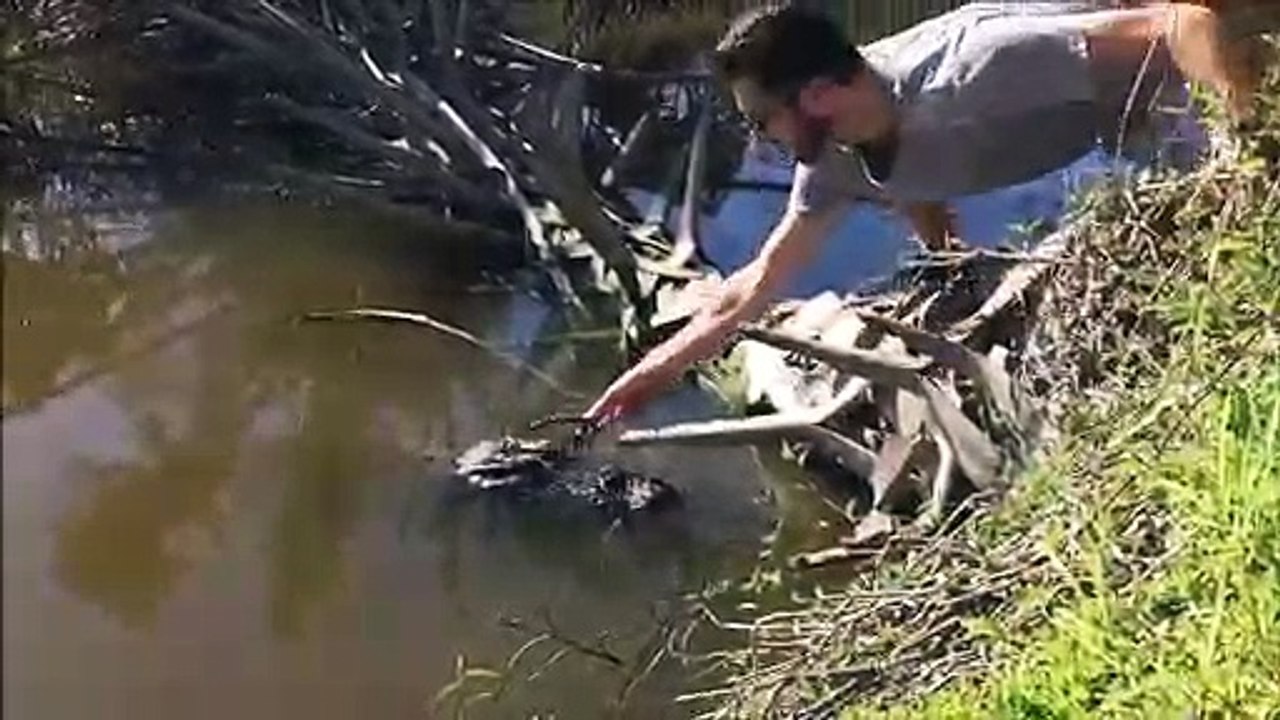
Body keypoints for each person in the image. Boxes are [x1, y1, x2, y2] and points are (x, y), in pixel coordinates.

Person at [583, 1, 1275, 425]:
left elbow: (1182, 21)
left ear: (819, 96)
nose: (759, 138)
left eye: (762, 119)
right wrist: (647, 379)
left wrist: (1242, 151)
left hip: (1188, 58)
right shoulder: (836, 155)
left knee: (1245, 235)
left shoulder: (978, 69)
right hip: (1129, 110)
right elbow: (751, 287)